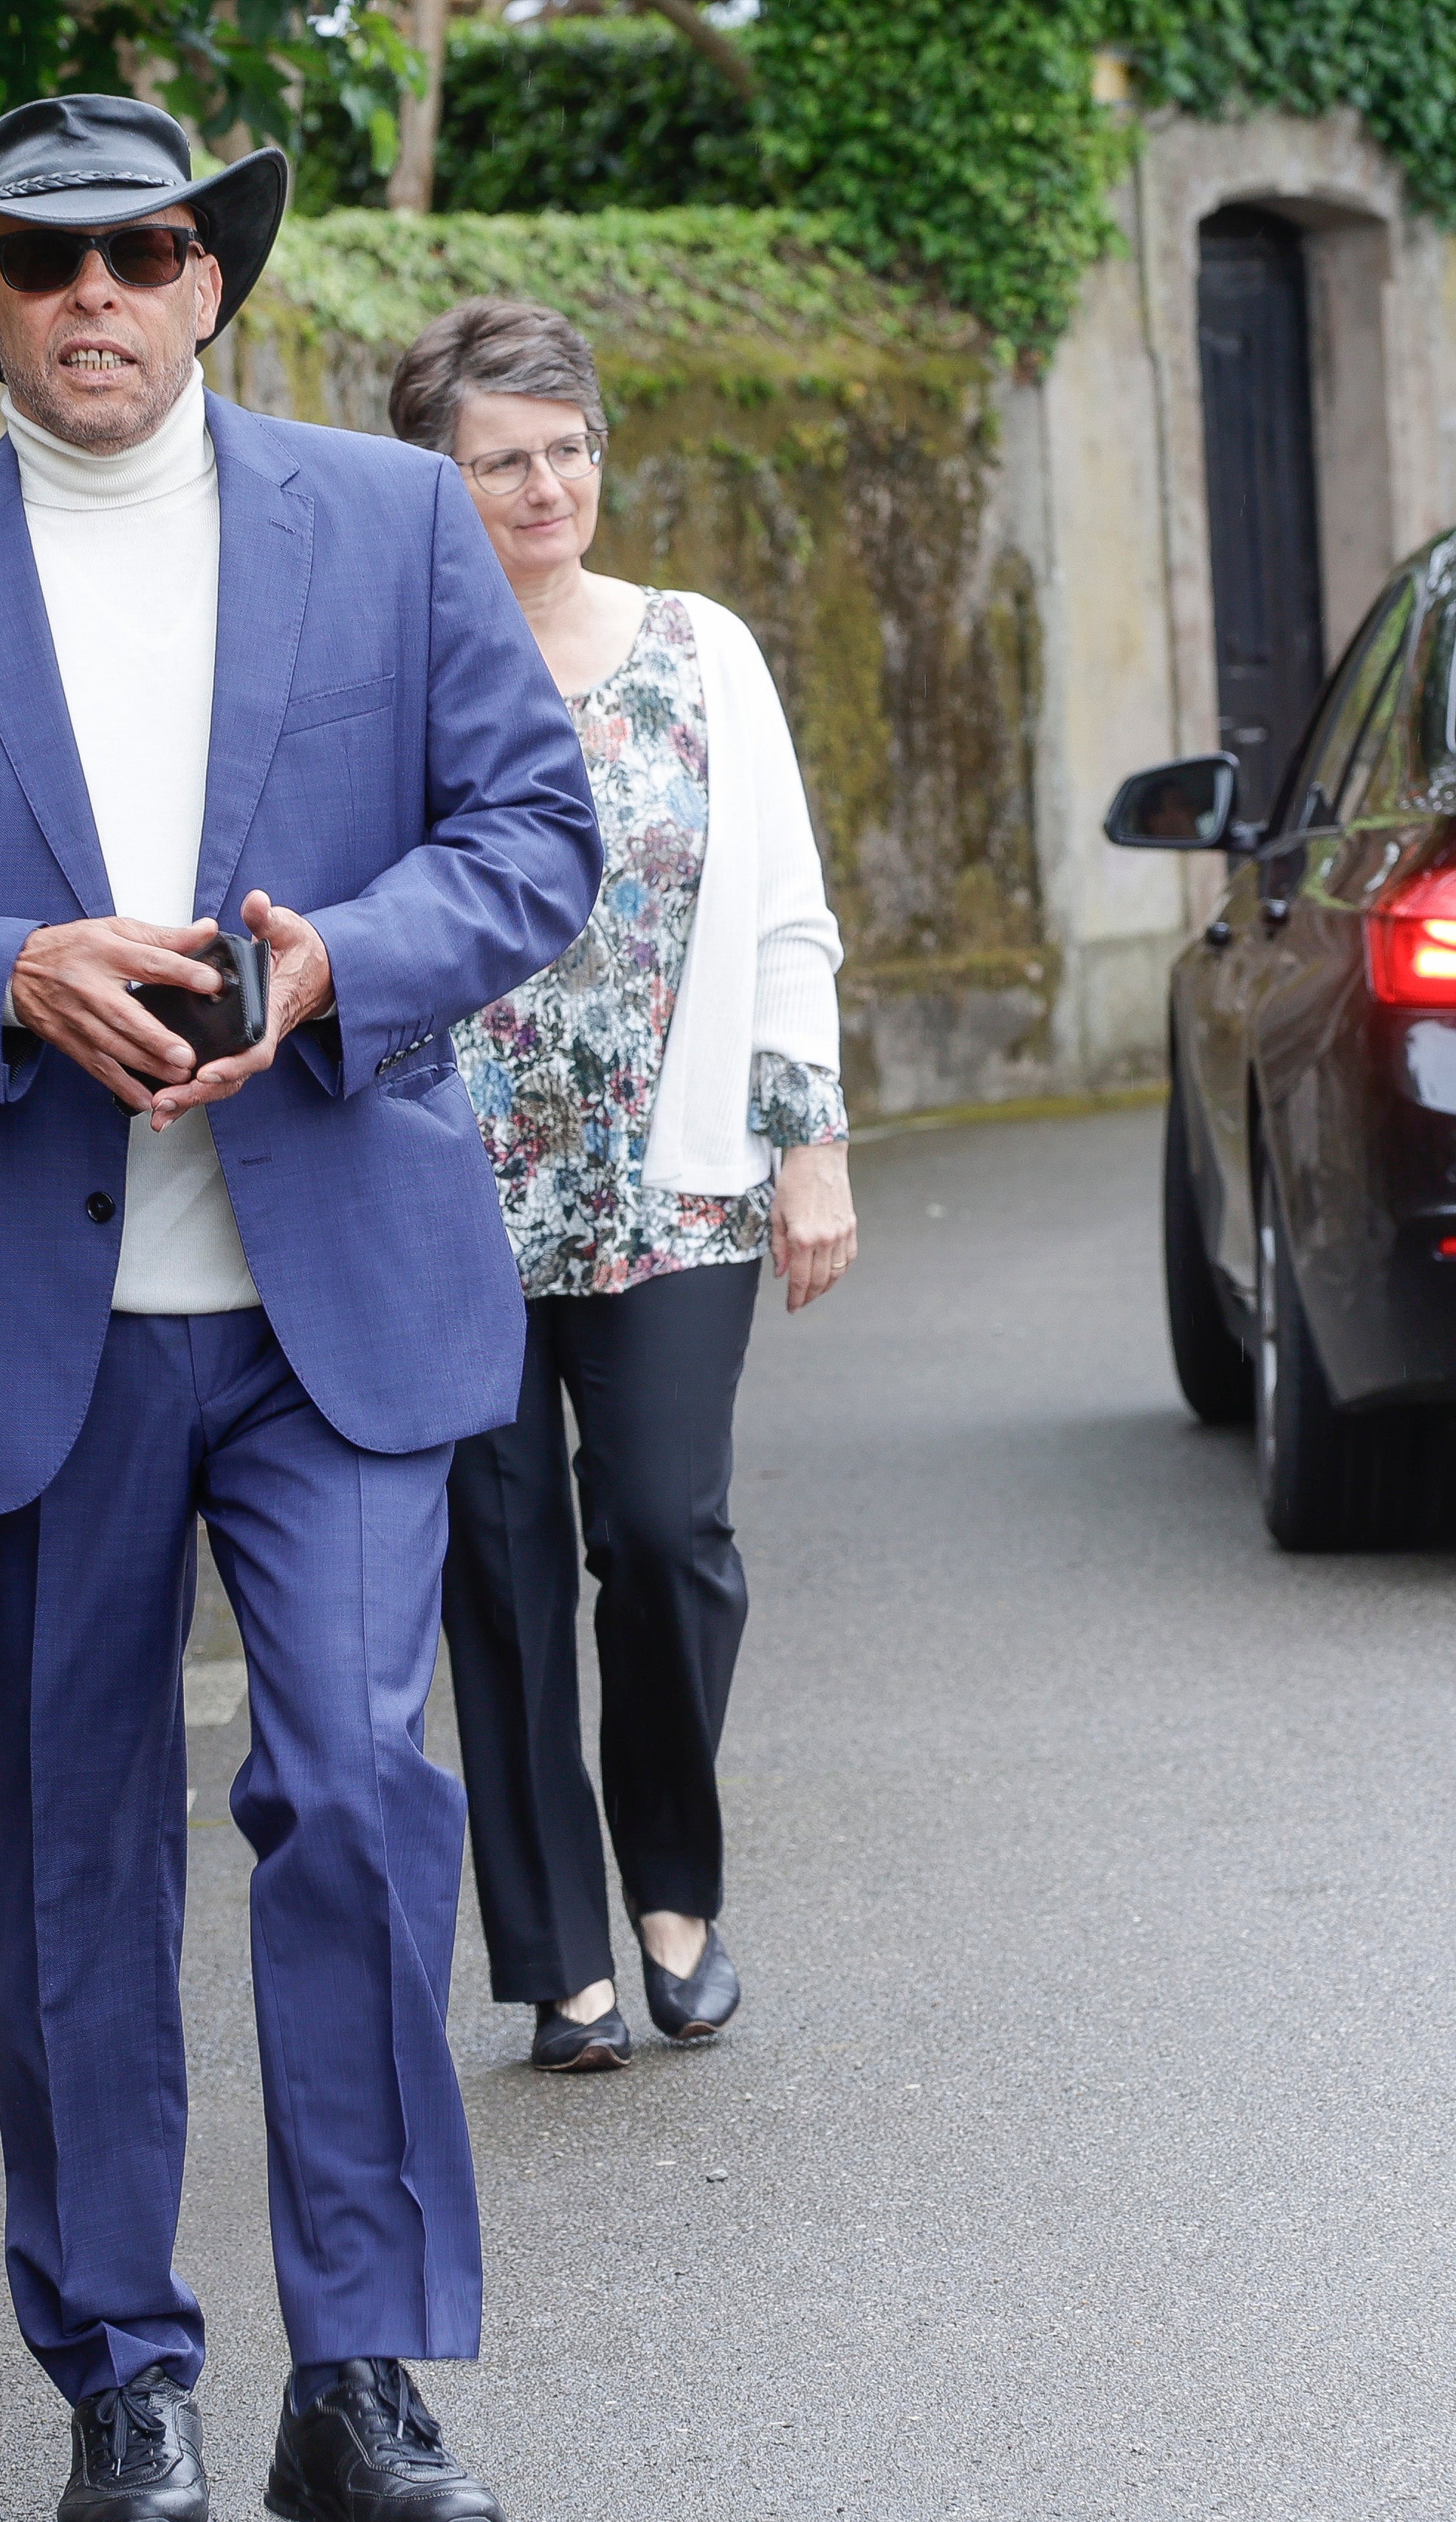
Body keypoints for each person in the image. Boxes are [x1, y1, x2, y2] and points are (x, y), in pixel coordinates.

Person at [0, 99, 599, 2522]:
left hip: (334, 1311)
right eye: (44, 261)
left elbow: (531, 839)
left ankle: (370, 2369)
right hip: (39, 1320)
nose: (98, 296)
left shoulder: (394, 527)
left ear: (212, 290)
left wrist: (335, 962)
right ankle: (124, 2379)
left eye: (147, 255)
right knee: (74, 1860)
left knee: (359, 1788)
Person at [388, 298, 859, 2076]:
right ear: (439, 478)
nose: (547, 484)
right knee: (496, 1571)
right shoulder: (403, 667)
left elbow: (790, 912)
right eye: (503, 459)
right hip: (446, 1194)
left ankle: (675, 1886)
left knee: (665, 1537)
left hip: (673, 1191)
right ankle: (559, 1961)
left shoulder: (701, 647)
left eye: (569, 446)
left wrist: (808, 1140)